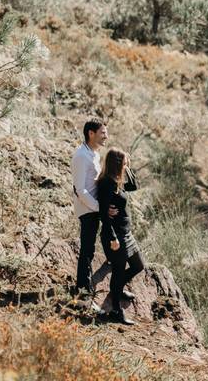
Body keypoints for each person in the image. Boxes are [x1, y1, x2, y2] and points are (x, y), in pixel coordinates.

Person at [96, 147, 144, 325]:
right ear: (116, 164)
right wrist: (112, 238)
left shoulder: (118, 180)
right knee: (117, 272)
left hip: (126, 234)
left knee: (138, 265)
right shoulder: (106, 184)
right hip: (116, 236)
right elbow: (103, 215)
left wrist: (127, 167)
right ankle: (116, 310)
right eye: (124, 163)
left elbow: (134, 186)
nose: (126, 165)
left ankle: (116, 290)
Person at [70, 119, 112, 310]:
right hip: (87, 209)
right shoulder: (81, 156)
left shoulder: (94, 154)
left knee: (95, 248)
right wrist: (99, 208)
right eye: (103, 132)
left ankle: (110, 287)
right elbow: (80, 189)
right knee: (87, 251)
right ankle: (83, 294)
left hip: (95, 208)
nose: (106, 136)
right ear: (91, 133)